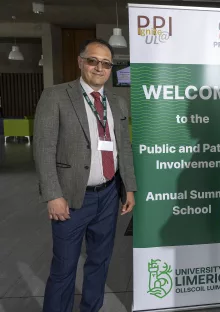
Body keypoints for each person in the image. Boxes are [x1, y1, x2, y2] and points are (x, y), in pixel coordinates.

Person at [33, 38, 137, 312]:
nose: (99, 68)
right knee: (64, 267)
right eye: (93, 61)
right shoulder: (56, 96)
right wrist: (53, 194)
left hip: (108, 196)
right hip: (70, 197)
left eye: (106, 63)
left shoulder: (117, 102)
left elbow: (123, 148)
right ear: (81, 62)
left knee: (99, 262)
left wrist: (129, 187)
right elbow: (44, 149)